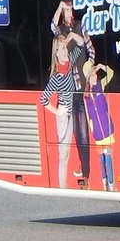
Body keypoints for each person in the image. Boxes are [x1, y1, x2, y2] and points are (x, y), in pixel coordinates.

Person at [50, 0, 94, 182]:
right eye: (66, 9)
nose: (69, 12)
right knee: (69, 133)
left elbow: (88, 47)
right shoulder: (59, 30)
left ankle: (86, 170)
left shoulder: (79, 26)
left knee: (82, 131)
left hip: (81, 87)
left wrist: (89, 69)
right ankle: (67, 175)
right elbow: (51, 26)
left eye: (70, 8)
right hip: (68, 90)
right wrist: (59, 7)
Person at [40, 34, 78, 188]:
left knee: (69, 151)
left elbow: (80, 45)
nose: (65, 50)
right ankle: (63, 186)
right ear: (56, 53)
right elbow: (44, 99)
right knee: (63, 155)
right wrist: (57, 111)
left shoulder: (69, 67)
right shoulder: (56, 77)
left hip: (72, 114)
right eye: (61, 48)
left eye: (65, 47)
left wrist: (69, 38)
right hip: (63, 118)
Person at [83, 60, 116, 192]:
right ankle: (104, 182)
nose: (95, 77)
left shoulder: (100, 86)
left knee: (108, 157)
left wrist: (102, 67)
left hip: (106, 129)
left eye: (95, 74)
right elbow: (87, 114)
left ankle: (111, 183)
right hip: (97, 131)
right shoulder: (85, 95)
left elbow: (111, 73)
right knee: (101, 159)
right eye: (92, 75)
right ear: (88, 77)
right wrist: (91, 127)